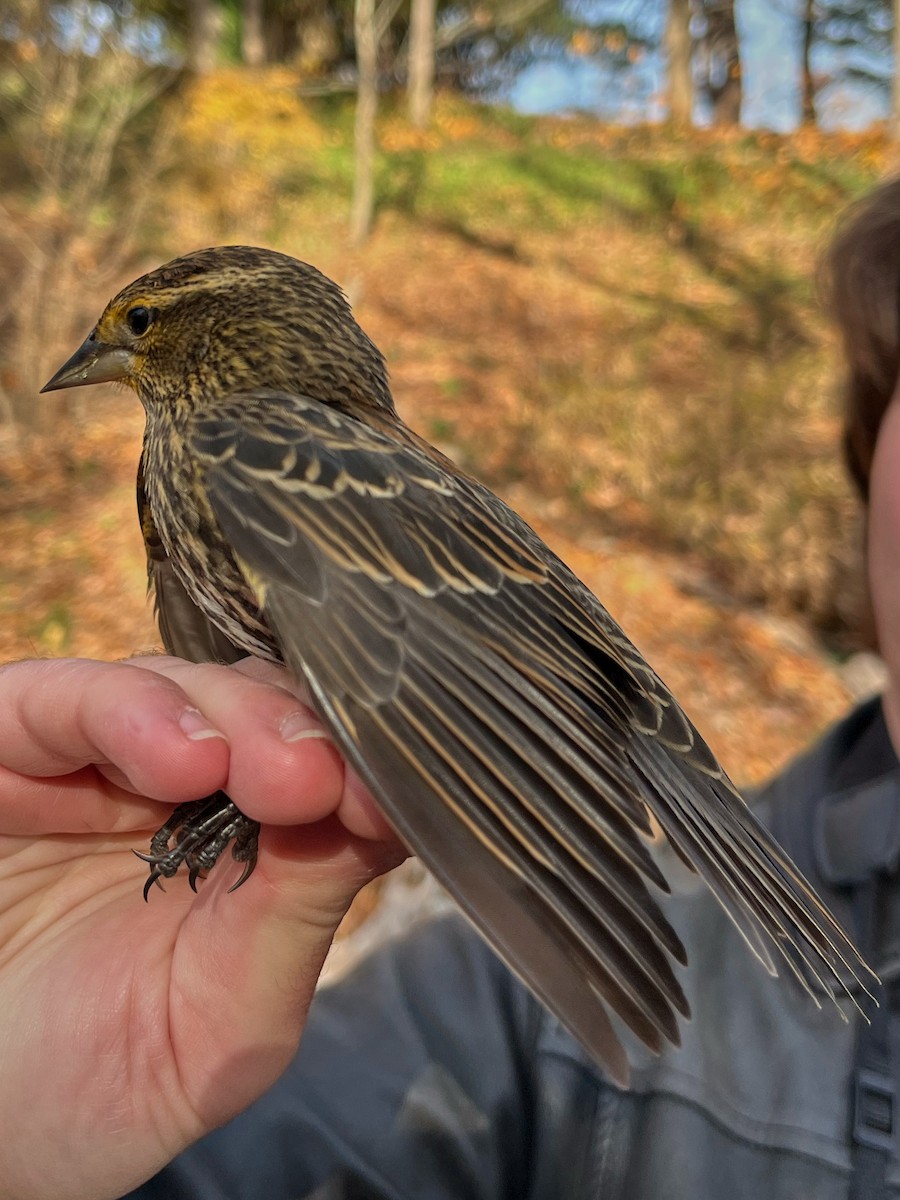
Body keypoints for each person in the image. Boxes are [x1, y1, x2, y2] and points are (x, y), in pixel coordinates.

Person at [2, 176, 900, 1200]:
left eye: (144, 325)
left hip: (544, 689)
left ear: (220, 332)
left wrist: (547, 852)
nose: (107, 353)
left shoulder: (250, 442)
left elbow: (427, 672)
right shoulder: (474, 1014)